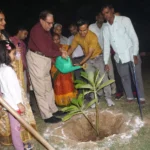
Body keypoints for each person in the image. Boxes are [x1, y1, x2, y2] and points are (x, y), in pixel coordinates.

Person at [27, 10, 68, 123]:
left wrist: (59, 49)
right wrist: (60, 53)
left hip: (45, 59)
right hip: (36, 58)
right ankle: (47, 116)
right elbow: (45, 49)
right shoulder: (36, 30)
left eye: (52, 23)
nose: (51, 26)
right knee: (40, 89)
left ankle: (53, 109)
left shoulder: (46, 30)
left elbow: (50, 44)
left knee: (48, 86)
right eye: (48, 23)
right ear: (41, 20)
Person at [101, 4, 145, 103]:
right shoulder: (105, 28)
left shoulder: (124, 20)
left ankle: (141, 97)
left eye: (107, 12)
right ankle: (129, 96)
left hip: (131, 52)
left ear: (112, 10)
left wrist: (134, 54)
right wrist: (106, 62)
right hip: (119, 57)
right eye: (104, 14)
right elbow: (106, 46)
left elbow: (134, 37)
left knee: (136, 76)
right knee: (124, 78)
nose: (106, 16)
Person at [68, 19, 115, 107]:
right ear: (78, 30)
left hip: (98, 58)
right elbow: (71, 49)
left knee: (104, 78)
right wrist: (65, 55)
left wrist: (80, 63)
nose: (82, 33)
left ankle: (108, 98)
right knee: (91, 79)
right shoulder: (77, 37)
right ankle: (94, 99)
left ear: (88, 28)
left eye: (84, 30)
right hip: (88, 61)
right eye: (80, 30)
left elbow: (90, 53)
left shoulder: (93, 36)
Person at [0, 41, 35, 150]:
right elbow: (12, 89)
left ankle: (20, 145)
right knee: (16, 128)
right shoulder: (8, 70)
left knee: (17, 127)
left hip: (9, 102)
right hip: (14, 105)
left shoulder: (1, 68)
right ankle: (20, 147)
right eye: (13, 53)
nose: (15, 56)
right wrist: (19, 103)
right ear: (5, 54)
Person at [89, 12, 116, 95]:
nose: (101, 18)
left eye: (102, 17)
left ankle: (113, 90)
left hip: (106, 52)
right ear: (96, 17)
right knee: (100, 74)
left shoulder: (106, 26)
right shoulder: (91, 27)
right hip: (97, 54)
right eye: (99, 17)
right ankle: (101, 91)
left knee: (110, 72)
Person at [51, 33, 77, 106]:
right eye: (54, 40)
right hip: (56, 70)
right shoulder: (50, 49)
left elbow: (69, 56)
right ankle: (61, 102)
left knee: (68, 84)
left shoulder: (65, 47)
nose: (56, 41)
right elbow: (51, 59)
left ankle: (71, 101)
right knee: (59, 86)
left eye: (57, 39)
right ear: (52, 41)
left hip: (66, 71)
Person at [10, 26, 29, 95]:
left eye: (27, 34)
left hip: (23, 69)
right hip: (15, 69)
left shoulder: (23, 43)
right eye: (25, 33)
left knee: (24, 88)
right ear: (20, 31)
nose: (26, 36)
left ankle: (26, 103)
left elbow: (24, 56)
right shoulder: (11, 40)